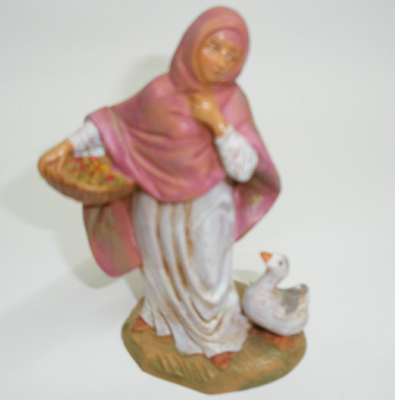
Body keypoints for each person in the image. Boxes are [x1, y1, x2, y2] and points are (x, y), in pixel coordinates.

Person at [38, 7, 280, 370]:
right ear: (192, 44)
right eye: (213, 47)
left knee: (207, 272)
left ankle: (216, 335)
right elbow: (113, 124)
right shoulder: (159, 91)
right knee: (158, 263)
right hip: (153, 198)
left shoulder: (232, 102)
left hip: (207, 202)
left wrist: (216, 121)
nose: (221, 62)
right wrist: (67, 146)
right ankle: (161, 316)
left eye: (232, 55)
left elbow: (244, 168)